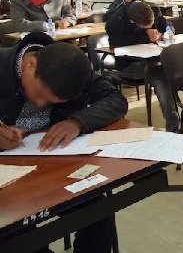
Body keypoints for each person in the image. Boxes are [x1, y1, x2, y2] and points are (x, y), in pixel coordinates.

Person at [0, 32, 128, 253]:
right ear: (30, 65)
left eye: (52, 102)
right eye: (40, 94)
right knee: (19, 234)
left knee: (97, 211)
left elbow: (115, 99)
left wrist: (78, 121)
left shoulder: (72, 69)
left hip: (51, 164)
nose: (41, 104)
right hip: (8, 177)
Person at [105, 0, 180, 133]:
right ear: (133, 21)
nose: (150, 27)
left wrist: (165, 33)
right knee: (159, 74)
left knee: (166, 68)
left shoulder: (153, 10)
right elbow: (115, 43)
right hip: (129, 64)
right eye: (145, 27)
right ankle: (174, 126)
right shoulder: (116, 21)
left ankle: (174, 123)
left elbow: (168, 26)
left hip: (152, 58)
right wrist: (145, 37)